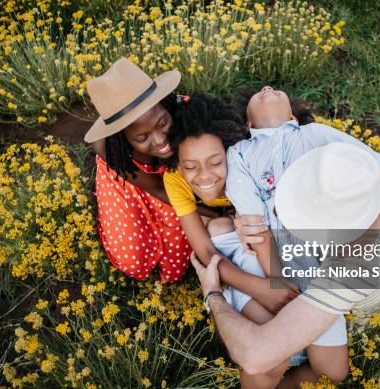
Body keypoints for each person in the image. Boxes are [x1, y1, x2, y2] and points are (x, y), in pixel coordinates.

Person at [199, 86, 380, 387]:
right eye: (259, 94)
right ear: (248, 125)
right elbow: (256, 228)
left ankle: (293, 344)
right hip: (277, 259)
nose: (267, 88)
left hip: (326, 273)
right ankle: (289, 338)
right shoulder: (241, 151)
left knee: (332, 371)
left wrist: (369, 233)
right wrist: (276, 284)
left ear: (293, 116)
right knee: (276, 358)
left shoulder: (315, 134)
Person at [162, 92, 349, 385]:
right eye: (190, 167)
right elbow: (204, 250)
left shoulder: (250, 160)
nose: (204, 176)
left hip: (287, 250)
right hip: (248, 254)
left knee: (333, 374)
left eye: (215, 162)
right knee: (271, 359)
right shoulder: (175, 178)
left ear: (233, 151)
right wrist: (263, 288)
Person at [84, 59, 297, 311]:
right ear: (123, 138)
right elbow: (158, 189)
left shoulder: (191, 117)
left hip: (188, 177)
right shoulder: (111, 148)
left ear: (166, 105)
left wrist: (236, 208)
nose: (161, 139)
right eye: (142, 137)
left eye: (162, 124)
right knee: (134, 258)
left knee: (183, 252)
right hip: (144, 183)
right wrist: (219, 212)